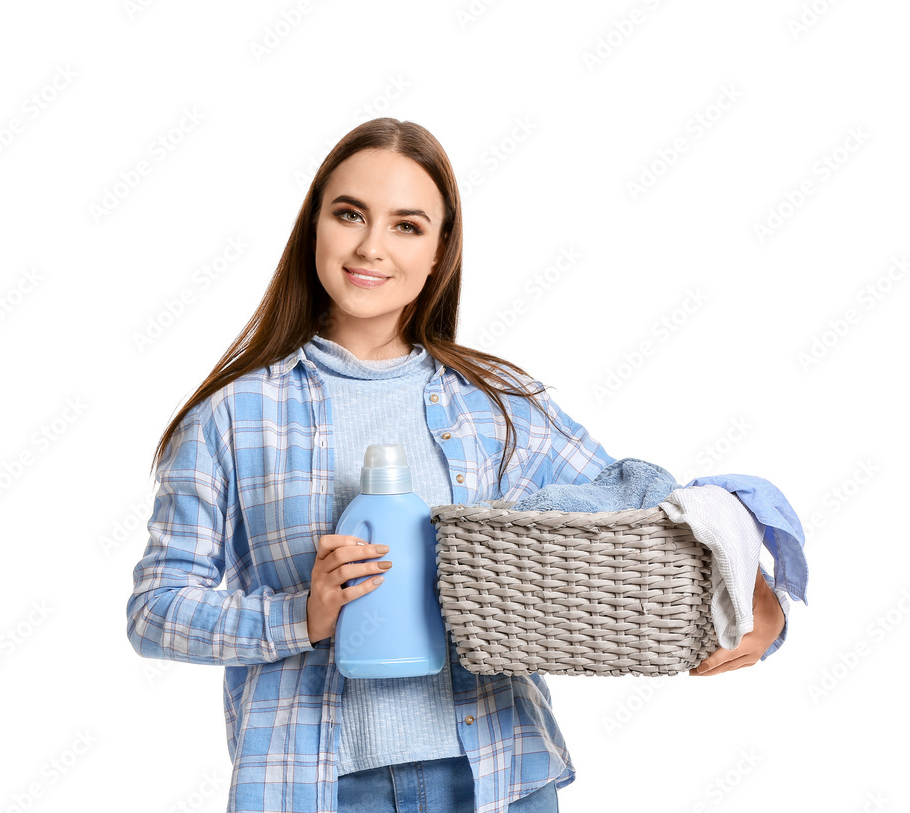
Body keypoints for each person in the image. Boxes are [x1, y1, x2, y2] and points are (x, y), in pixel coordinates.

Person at [125, 117, 790, 813]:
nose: (371, 247)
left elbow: (634, 513)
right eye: (349, 214)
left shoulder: (498, 404)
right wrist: (304, 615)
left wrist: (752, 586)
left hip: (498, 776)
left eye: (407, 226)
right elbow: (155, 611)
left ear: (440, 251)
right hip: (312, 787)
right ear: (313, 226)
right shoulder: (232, 419)